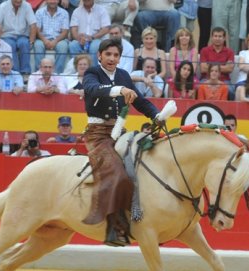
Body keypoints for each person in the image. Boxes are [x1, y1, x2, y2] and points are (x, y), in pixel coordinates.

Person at [82, 38, 160, 247]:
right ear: (100, 55)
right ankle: (113, 227)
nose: (112, 58)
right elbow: (94, 89)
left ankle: (150, 223)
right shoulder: (91, 73)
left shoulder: (123, 75)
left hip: (120, 131)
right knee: (117, 171)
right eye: (108, 54)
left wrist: (156, 115)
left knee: (144, 166)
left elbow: (140, 101)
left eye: (116, 55)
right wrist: (119, 90)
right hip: (98, 133)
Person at [0, 0, 37, 75]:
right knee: (10, 45)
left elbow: (33, 25)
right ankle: (15, 73)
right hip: (7, 35)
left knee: (24, 43)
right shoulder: (3, 6)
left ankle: (25, 72)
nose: (18, 1)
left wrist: (31, 42)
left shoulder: (27, 6)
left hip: (22, 35)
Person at [69, 0, 111, 66]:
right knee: (73, 45)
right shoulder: (76, 11)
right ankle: (77, 71)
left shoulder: (102, 10)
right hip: (81, 40)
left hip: (96, 39)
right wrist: (78, 38)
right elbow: (73, 29)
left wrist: (92, 37)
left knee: (94, 46)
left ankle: (93, 72)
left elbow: (106, 29)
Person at [33, 0, 70, 74]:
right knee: (38, 45)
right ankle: (39, 73)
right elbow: (37, 30)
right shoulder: (39, 12)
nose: (52, 1)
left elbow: (65, 31)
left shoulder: (64, 13)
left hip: (59, 39)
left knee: (63, 46)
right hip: (43, 38)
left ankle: (57, 73)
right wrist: (45, 40)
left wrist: (55, 41)